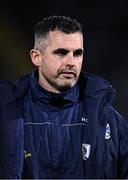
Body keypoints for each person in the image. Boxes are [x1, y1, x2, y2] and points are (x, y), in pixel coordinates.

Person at [0, 15, 128, 179]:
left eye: (77, 53)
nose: (71, 62)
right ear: (36, 57)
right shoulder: (5, 113)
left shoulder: (107, 120)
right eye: (61, 52)